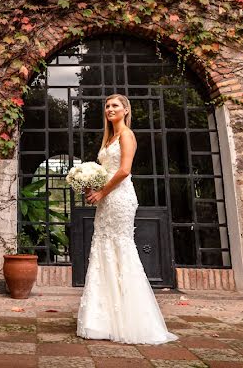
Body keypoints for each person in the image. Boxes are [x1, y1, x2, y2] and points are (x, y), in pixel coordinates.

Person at [76, 93, 177, 344]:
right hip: (106, 198)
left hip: (120, 198)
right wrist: (90, 186)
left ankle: (131, 319)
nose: (110, 109)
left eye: (115, 106)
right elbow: (105, 171)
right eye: (107, 106)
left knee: (120, 248)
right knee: (102, 248)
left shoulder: (127, 135)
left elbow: (124, 170)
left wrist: (102, 192)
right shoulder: (108, 137)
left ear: (126, 110)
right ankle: (103, 318)